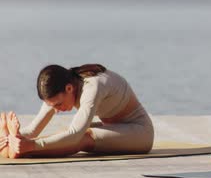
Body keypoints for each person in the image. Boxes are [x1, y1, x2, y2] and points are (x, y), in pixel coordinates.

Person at [0, 64, 153, 158]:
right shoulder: (60, 88)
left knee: (82, 137)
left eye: (58, 105)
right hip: (114, 128)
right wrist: (13, 138)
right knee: (64, 133)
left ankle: (20, 152)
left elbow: (75, 135)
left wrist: (31, 146)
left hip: (140, 132)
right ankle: (9, 147)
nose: (57, 110)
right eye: (52, 106)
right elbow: (34, 130)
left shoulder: (92, 86)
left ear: (69, 88)